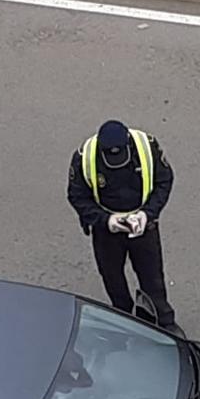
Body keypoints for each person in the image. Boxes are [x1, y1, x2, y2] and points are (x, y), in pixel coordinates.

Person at [67, 120, 181, 335]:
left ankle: (164, 322)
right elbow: (77, 196)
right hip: (106, 231)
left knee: (152, 277)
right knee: (112, 277)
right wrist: (106, 221)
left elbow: (164, 181)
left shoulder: (147, 147)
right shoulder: (85, 157)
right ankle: (124, 319)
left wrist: (146, 215)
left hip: (143, 226)